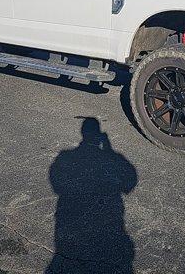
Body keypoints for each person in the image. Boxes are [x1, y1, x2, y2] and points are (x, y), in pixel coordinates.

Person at [47, 117, 138, 273]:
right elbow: (130, 182)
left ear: (82, 133)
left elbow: (56, 183)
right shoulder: (114, 158)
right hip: (109, 221)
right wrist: (108, 149)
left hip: (71, 223)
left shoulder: (65, 157)